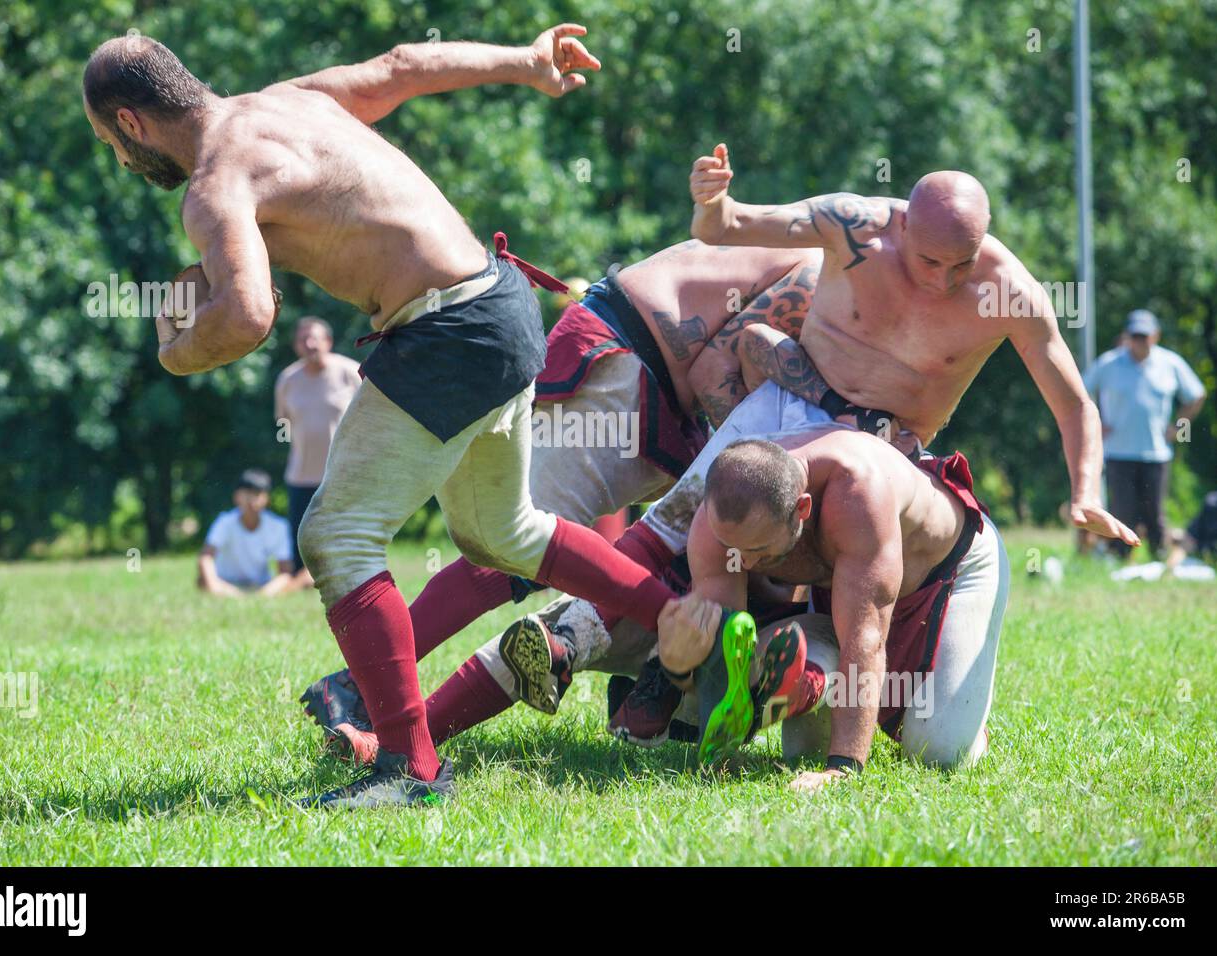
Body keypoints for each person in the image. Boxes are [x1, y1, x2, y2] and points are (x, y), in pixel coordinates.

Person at [83, 28, 721, 809]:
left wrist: (175, 350)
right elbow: (403, 67)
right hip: (502, 302)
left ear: (132, 122)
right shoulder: (288, 101)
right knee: (507, 533)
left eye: (110, 144)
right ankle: (686, 621)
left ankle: (411, 771)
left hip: (445, 331)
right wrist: (525, 61)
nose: (119, 162)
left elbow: (248, 316)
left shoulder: (213, 185)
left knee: (336, 536)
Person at [301, 241, 824, 752]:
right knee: (510, 543)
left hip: (650, 387)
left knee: (547, 545)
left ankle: (641, 673)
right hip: (627, 365)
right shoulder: (822, 274)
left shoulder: (839, 274)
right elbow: (715, 371)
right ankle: (360, 693)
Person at [683, 143, 1139, 548]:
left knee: (830, 560)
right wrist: (713, 198)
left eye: (963, 264)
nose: (944, 280)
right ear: (902, 224)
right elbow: (725, 226)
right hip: (793, 400)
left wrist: (1086, 492)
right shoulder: (853, 226)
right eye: (930, 261)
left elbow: (1075, 406)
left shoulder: (1010, 294)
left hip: (890, 446)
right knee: (688, 517)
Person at [657, 431, 1009, 785]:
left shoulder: (858, 495)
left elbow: (865, 639)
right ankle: (809, 682)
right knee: (801, 752)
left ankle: (970, 729)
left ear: (802, 509)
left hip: (953, 571)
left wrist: (842, 768)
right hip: (850, 587)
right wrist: (680, 673)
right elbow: (727, 654)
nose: (743, 562)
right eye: (732, 548)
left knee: (938, 752)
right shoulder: (719, 521)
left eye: (759, 549)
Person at [1083, 309, 1207, 558]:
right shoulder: (1109, 363)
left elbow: (1196, 395)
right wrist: (1095, 423)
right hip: (1118, 452)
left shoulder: (1170, 363)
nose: (1140, 341)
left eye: (1144, 335)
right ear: (1127, 336)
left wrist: (1179, 428)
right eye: (1135, 335)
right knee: (1121, 510)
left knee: (1155, 513)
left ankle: (1159, 557)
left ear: (1156, 336)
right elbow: (1080, 390)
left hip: (1156, 453)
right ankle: (1118, 558)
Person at [274, 315, 362, 590]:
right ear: (296, 346)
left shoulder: (351, 373)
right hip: (300, 475)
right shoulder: (288, 379)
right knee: (303, 540)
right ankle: (303, 587)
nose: (310, 344)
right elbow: (283, 423)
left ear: (328, 341)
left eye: (315, 337)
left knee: (347, 537)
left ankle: (352, 584)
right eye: (303, 339)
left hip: (342, 474)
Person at [197, 469, 294, 596]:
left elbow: (285, 573)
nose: (252, 499)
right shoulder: (224, 522)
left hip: (261, 584)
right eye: (247, 493)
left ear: (267, 498)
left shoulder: (278, 526)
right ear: (236, 496)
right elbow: (206, 557)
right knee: (201, 581)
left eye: (258, 493)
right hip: (226, 583)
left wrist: (264, 594)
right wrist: (214, 585)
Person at [1167, 453, 1217, 569]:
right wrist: (1171, 566)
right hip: (1201, 563)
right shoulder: (1214, 504)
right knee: (1171, 534)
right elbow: (1190, 539)